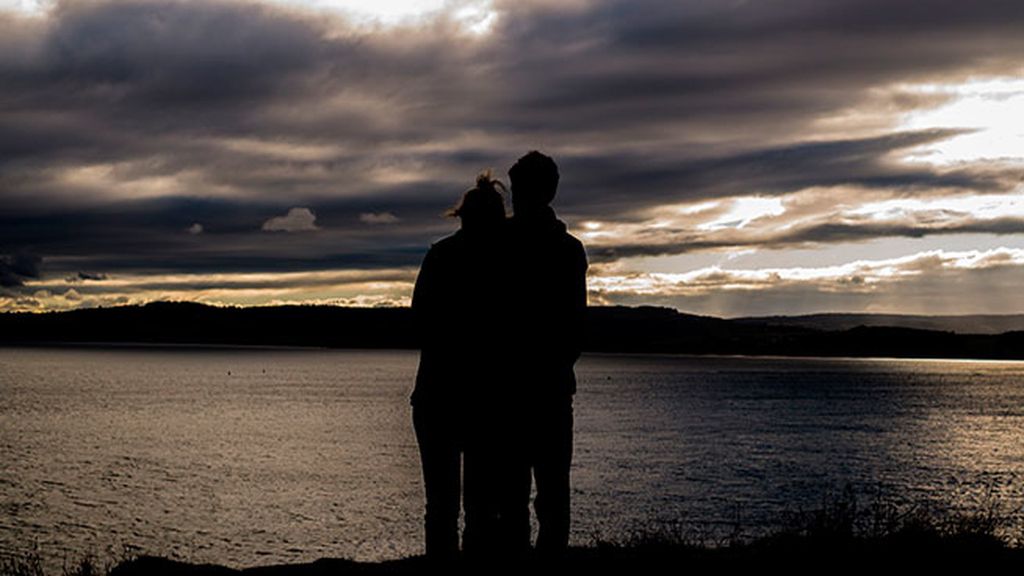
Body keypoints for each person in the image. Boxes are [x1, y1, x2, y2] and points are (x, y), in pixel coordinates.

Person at [410, 174, 509, 562]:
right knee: (481, 508)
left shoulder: (441, 255)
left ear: (462, 216)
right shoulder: (507, 264)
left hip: (437, 395)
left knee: (442, 507)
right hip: (487, 398)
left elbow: (420, 321)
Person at [500, 151, 588, 557]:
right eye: (516, 189)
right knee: (539, 497)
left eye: (521, 189)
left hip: (520, 387)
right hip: (543, 387)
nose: (517, 197)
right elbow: (574, 327)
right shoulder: (567, 249)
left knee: (532, 497)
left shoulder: (500, 244)